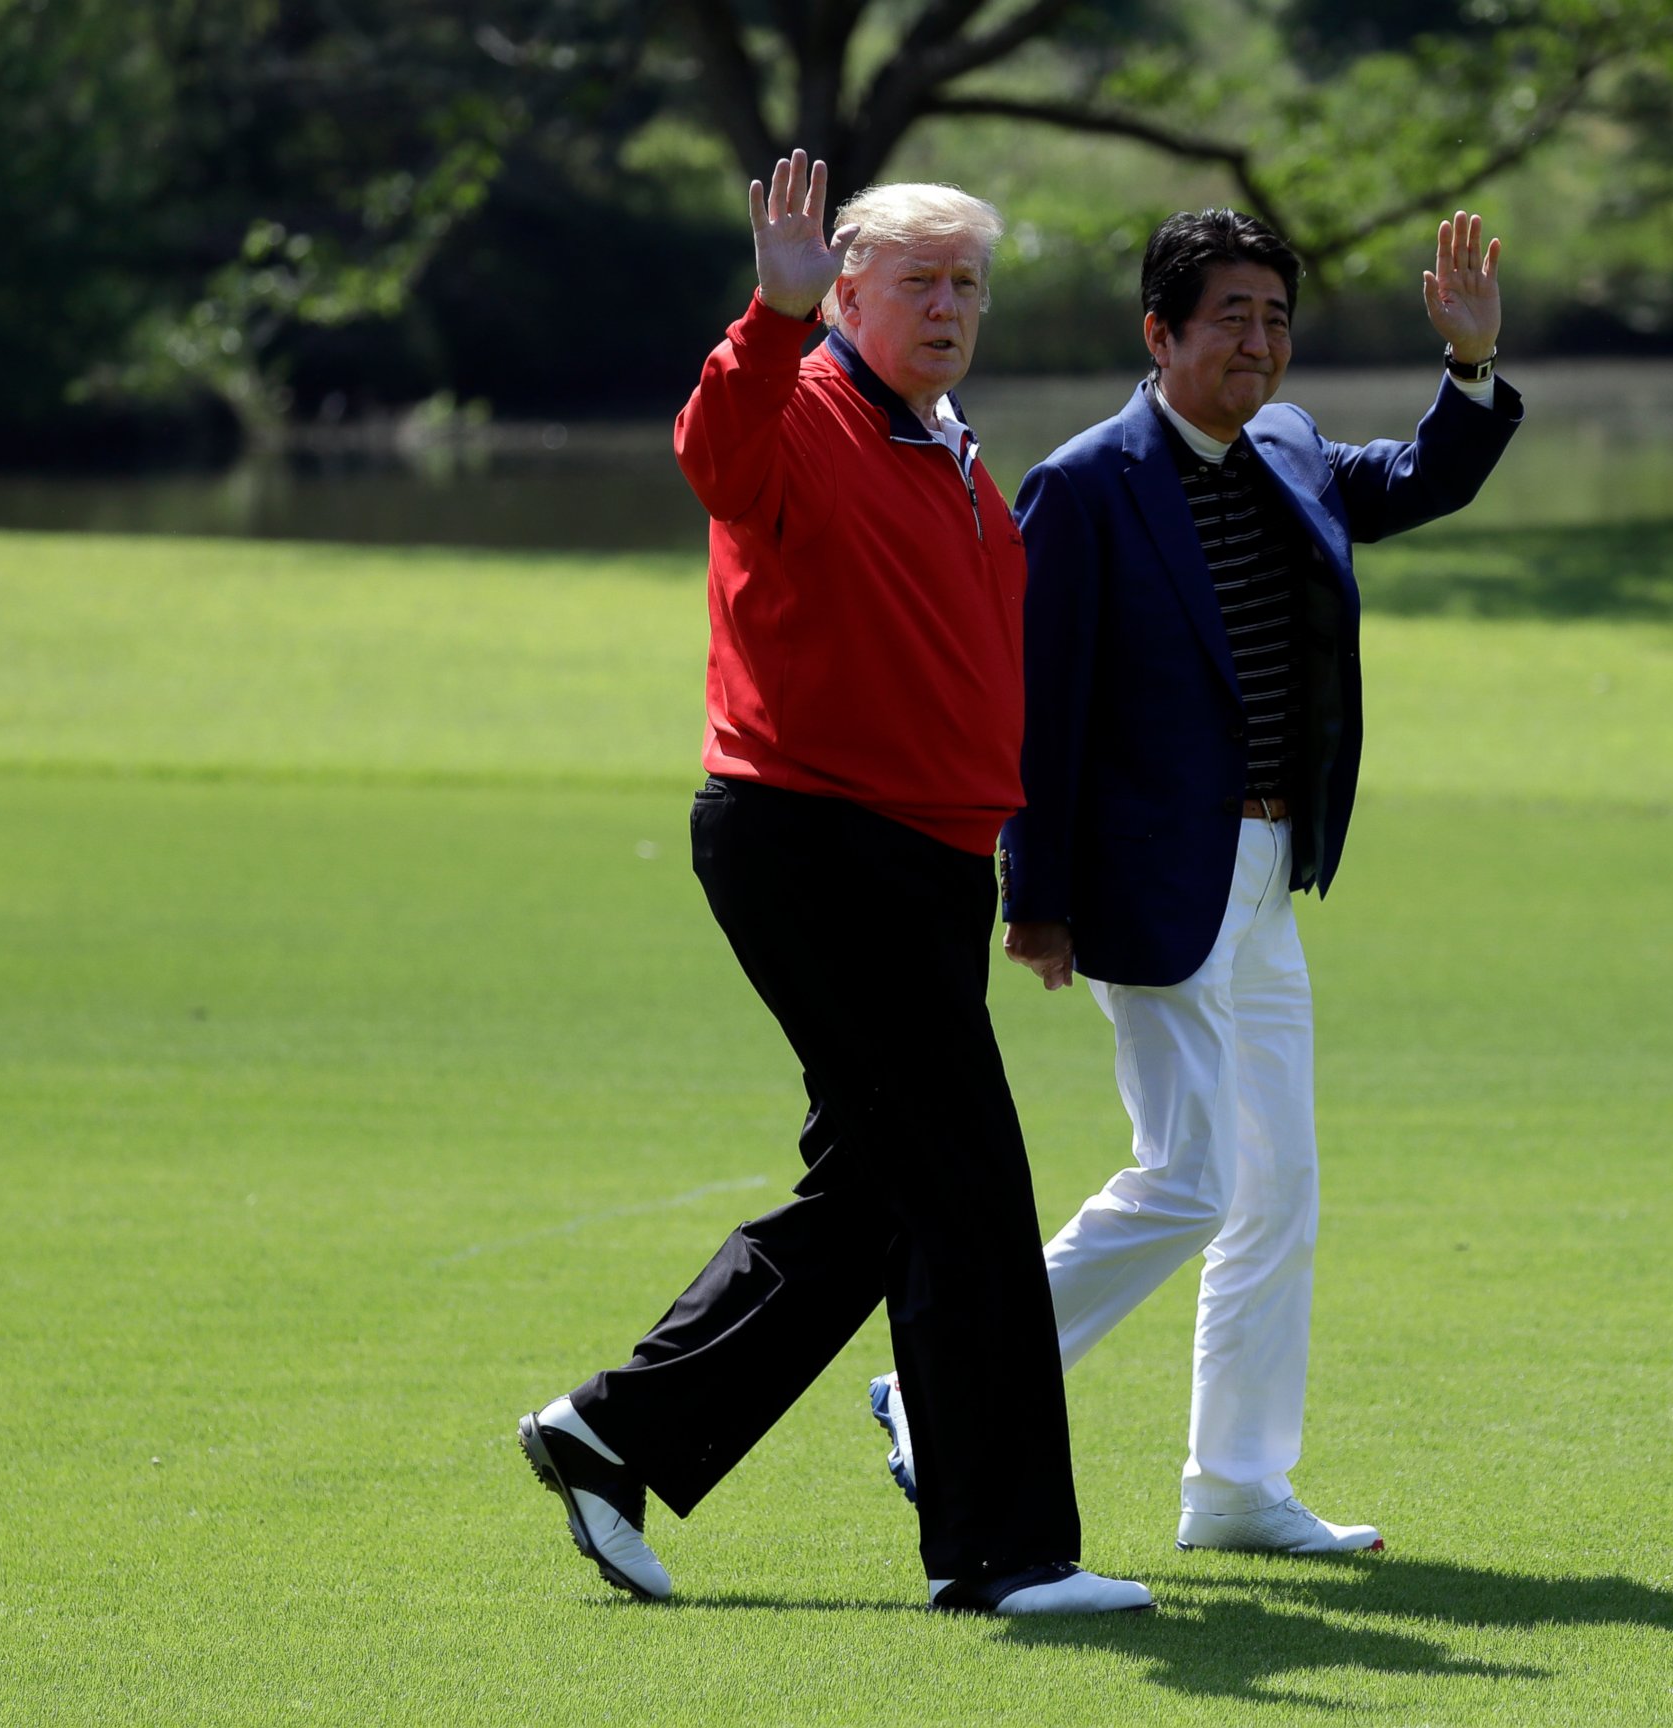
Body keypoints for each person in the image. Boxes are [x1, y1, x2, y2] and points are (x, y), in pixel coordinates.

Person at [516, 149, 1149, 1616]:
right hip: (815, 838)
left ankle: (618, 1430)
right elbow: (712, 452)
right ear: (848, 288)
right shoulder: (796, 402)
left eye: (968, 282)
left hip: (926, 859)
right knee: (972, 1185)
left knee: (882, 1192)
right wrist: (770, 317)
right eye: (918, 280)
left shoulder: (947, 443)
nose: (948, 304)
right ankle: (1005, 1556)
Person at [870, 207, 1521, 1556]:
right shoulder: (1085, 482)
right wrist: (1032, 892)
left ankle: (1235, 1486)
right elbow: (1037, 714)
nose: (1261, 345)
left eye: (1277, 320)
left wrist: (1465, 369)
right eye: (1232, 317)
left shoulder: (1284, 449)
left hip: (1270, 868)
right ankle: (933, 1389)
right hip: (1144, 881)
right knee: (1194, 1175)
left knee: (1278, 1189)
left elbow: (1417, 480)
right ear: (1159, 334)